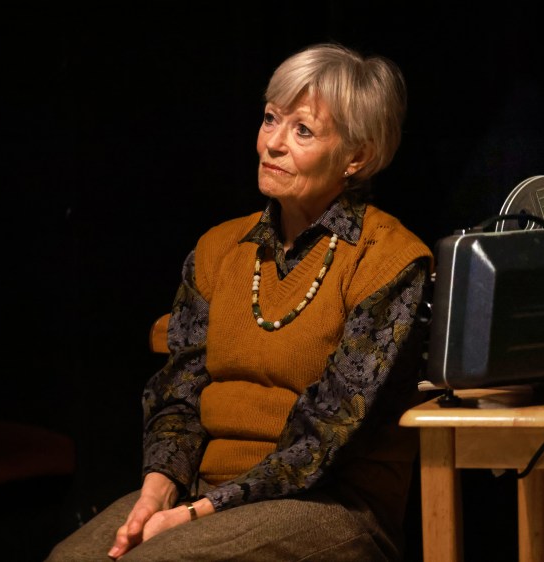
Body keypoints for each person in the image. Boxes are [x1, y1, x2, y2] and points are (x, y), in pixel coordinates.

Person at [46, 42, 433, 562]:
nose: (272, 143)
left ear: (356, 157)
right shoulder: (219, 249)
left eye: (302, 130)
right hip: (201, 494)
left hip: (328, 505)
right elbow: (179, 396)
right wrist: (158, 492)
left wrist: (195, 515)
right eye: (270, 118)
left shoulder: (388, 260)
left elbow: (328, 434)